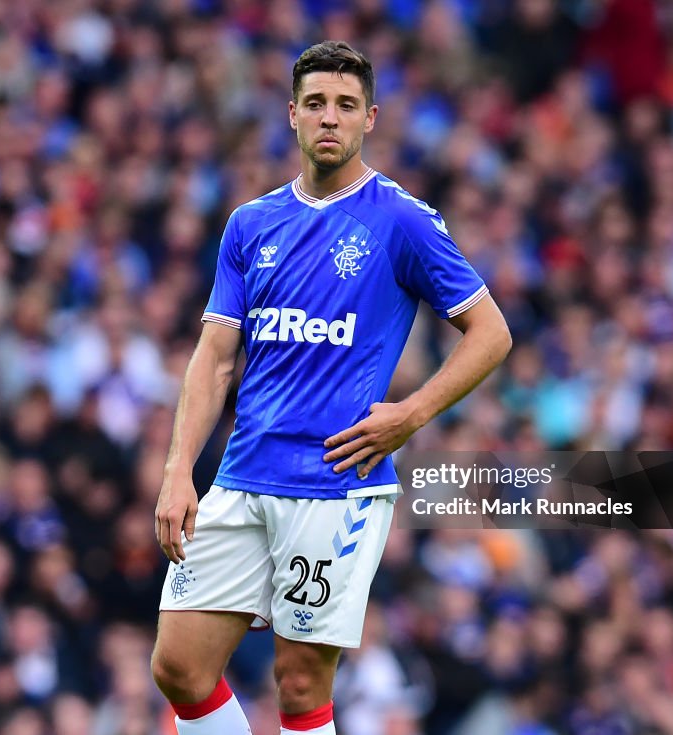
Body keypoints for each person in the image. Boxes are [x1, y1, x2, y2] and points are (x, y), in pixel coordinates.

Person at [151, 41, 512, 735]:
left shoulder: (401, 219)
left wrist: (412, 413)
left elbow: (491, 332)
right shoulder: (250, 224)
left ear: (370, 118)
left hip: (335, 483)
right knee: (179, 667)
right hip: (242, 473)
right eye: (315, 103)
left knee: (298, 681)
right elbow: (215, 356)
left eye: (345, 106)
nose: (329, 117)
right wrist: (177, 471)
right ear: (291, 115)